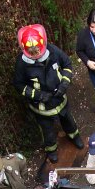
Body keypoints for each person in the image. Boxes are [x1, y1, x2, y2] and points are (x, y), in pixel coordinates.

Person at [11, 24, 83, 164]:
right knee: (47, 131)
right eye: (32, 53)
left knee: (69, 121)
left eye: (38, 51)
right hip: (41, 108)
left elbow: (67, 64)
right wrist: (39, 96)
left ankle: (75, 137)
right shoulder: (21, 63)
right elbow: (19, 85)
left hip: (60, 99)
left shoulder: (53, 51)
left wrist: (64, 84)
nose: (36, 54)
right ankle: (51, 150)